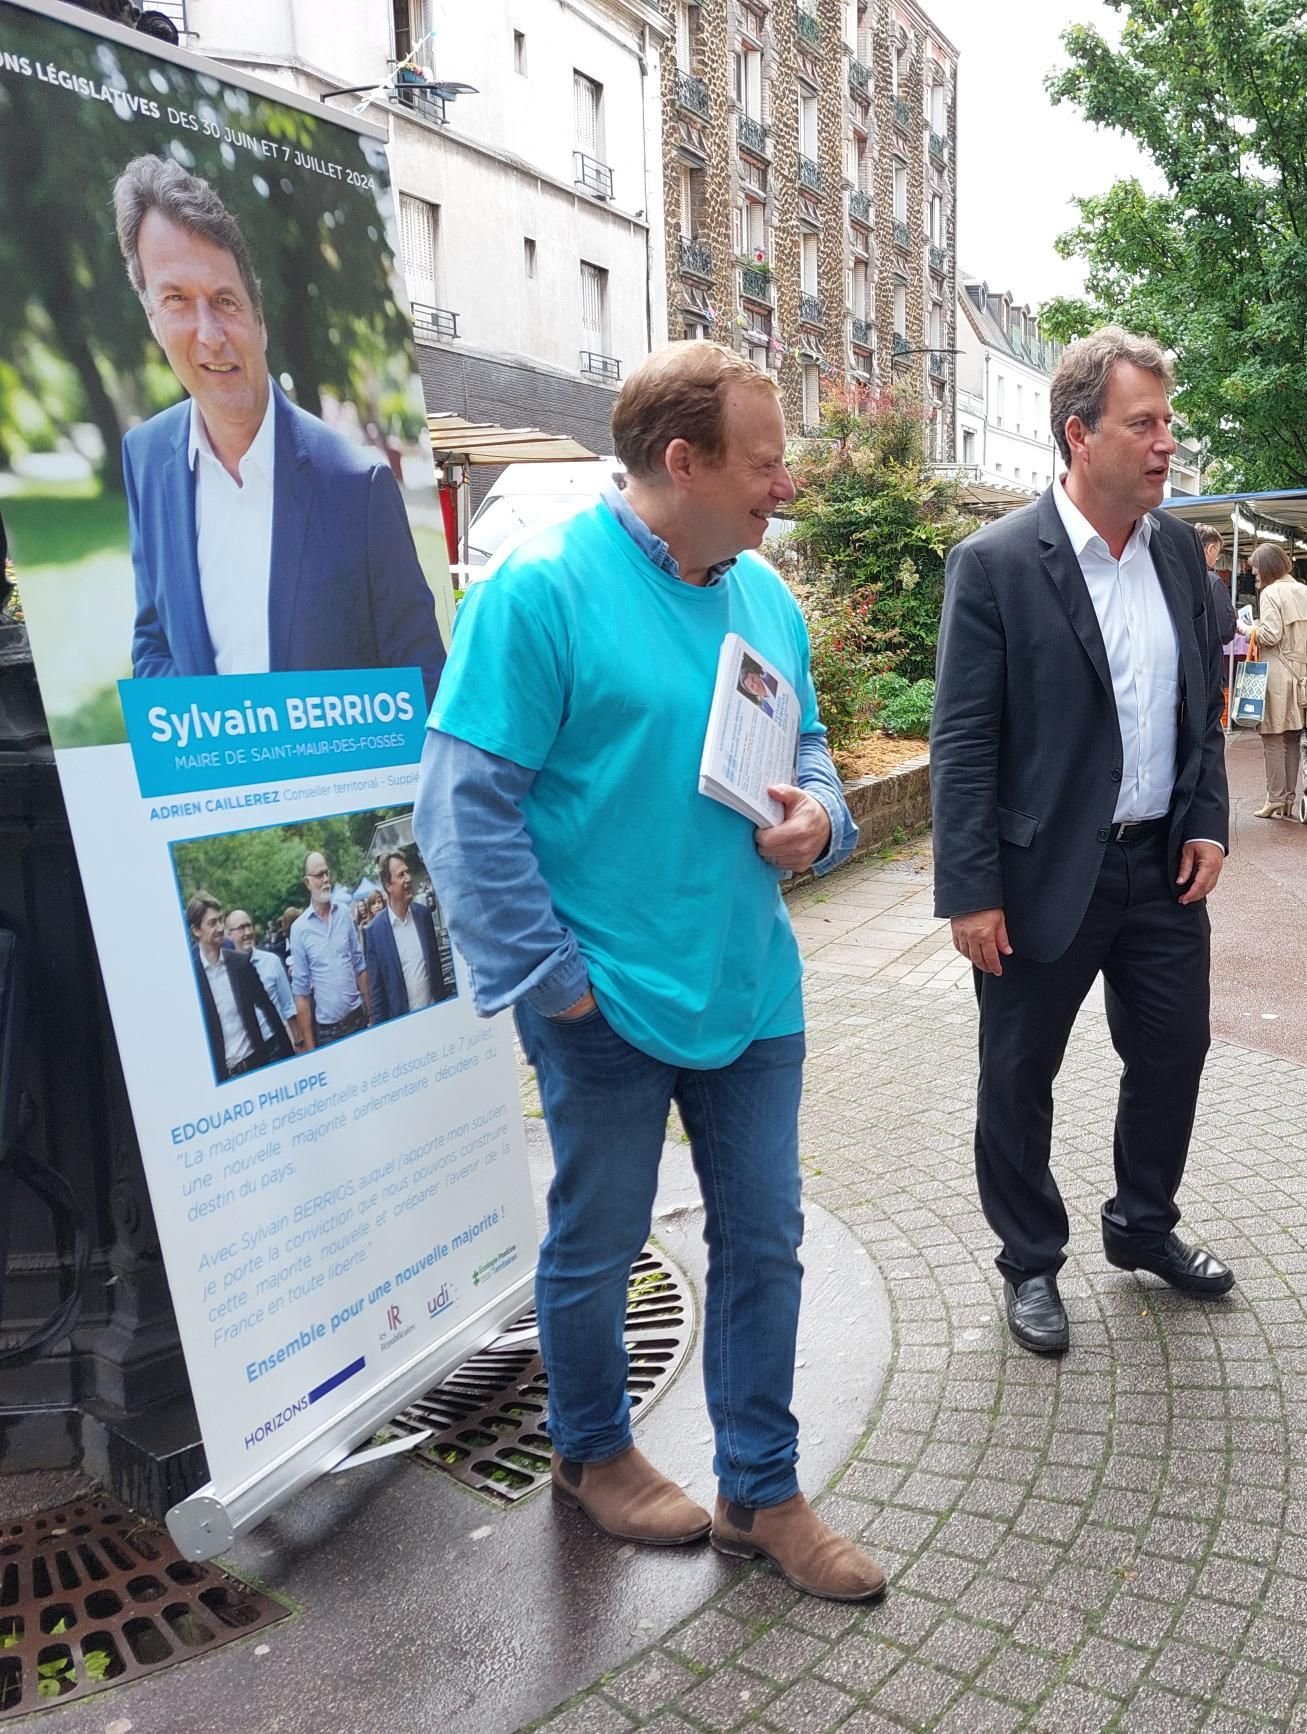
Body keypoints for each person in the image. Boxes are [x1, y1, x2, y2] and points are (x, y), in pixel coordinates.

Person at [415, 341, 882, 1599]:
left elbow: (817, 750)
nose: (784, 483)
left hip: (747, 988)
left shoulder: (761, 596)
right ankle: (590, 1454)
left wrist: (820, 822)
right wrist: (558, 984)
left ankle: (761, 1491)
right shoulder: (541, 593)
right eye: (766, 459)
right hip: (603, 1001)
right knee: (601, 1236)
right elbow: (462, 812)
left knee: (764, 1242)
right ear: (684, 463)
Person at [931, 325, 1232, 1358]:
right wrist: (969, 891)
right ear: (1078, 434)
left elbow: (1203, 708)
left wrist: (1205, 819)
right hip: (1035, 875)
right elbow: (962, 742)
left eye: (1167, 423)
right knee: (1018, 1075)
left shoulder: (1181, 556)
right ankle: (1029, 1263)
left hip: (1159, 868)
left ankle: (1142, 1226)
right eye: (1142, 424)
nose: (1164, 444)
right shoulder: (997, 565)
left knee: (1173, 1053)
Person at [110, 156, 446, 691]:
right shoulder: (144, 456)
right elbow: (153, 640)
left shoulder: (360, 484)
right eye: (176, 300)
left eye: (225, 301)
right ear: (151, 317)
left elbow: (423, 678)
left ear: (259, 319)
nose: (210, 334)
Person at [1246, 543, 1307, 820]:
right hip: (1304, 673)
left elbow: (1270, 636)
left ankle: (1275, 798)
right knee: (1293, 738)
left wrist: (1246, 628)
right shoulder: (1306, 592)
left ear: (1266, 567)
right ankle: (1289, 799)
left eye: (1255, 567)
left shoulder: (1270, 594)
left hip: (1278, 673)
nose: (1253, 572)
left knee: (1272, 737)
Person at [189, 894, 292, 1082]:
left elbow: (270, 1012)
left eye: (221, 921)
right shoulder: (191, 978)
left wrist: (290, 1060)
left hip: (257, 1065)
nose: (220, 928)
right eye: (212, 923)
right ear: (196, 930)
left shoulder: (240, 964)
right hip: (224, 1077)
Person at [288, 852, 370, 1049]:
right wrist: (310, 1048)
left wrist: (371, 1012)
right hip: (329, 1031)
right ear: (307, 883)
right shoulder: (299, 930)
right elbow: (301, 992)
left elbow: (360, 965)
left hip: (358, 1018)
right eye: (319, 875)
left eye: (327, 873)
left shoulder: (343, 914)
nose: (325, 879)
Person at [362, 851, 451, 1023]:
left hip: (435, 1017)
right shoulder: (374, 932)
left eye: (408, 872)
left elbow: (437, 972)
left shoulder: (423, 916)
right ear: (388, 885)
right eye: (401, 875)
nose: (409, 878)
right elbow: (377, 993)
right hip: (404, 1025)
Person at [224, 906, 299, 1046]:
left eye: (249, 926)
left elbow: (288, 1006)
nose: (247, 932)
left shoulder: (271, 962)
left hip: (278, 1041)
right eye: (241, 928)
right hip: (251, 1049)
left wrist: (298, 1042)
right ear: (228, 934)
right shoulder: (225, 973)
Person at [1198, 526, 1235, 651]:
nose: (1216, 559)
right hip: (1206, 656)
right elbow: (1225, 630)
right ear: (1210, 549)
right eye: (1217, 553)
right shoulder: (1212, 581)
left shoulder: (1171, 576)